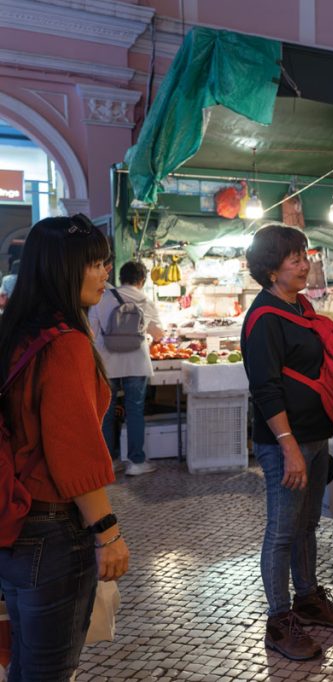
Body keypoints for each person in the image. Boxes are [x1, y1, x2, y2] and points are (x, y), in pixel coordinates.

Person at [0, 214, 130, 680]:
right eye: (93, 263)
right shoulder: (65, 344)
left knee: (25, 663)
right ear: (59, 268)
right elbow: (73, 450)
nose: (104, 274)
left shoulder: (15, 333)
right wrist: (108, 532)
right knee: (49, 671)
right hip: (52, 531)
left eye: (105, 262)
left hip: (14, 524)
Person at [241, 224, 333, 661]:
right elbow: (265, 388)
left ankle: (308, 598)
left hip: (315, 435)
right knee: (282, 531)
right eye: (294, 259)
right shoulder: (264, 317)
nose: (305, 263)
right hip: (285, 444)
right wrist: (288, 445)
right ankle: (280, 620)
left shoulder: (300, 307)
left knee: (308, 524)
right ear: (272, 270)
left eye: (304, 256)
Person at [89, 260, 164, 476]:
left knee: (106, 410)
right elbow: (158, 333)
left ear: (121, 278)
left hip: (107, 361)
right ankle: (136, 462)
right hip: (136, 362)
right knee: (135, 410)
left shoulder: (102, 297)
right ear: (142, 280)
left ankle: (109, 461)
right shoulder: (145, 300)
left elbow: (92, 330)